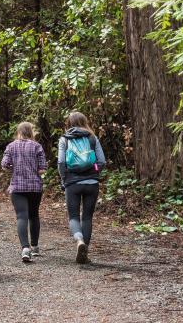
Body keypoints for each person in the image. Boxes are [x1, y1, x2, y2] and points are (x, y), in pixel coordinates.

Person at [58, 111, 106, 264]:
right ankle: (85, 252)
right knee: (87, 217)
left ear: (69, 123)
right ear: (85, 122)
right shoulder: (92, 137)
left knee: (73, 216)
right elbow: (102, 162)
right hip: (92, 183)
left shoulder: (64, 139)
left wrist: (64, 179)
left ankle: (79, 241)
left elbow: (61, 163)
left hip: (72, 183)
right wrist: (94, 171)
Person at [1, 122, 47, 262]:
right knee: (34, 216)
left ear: (19, 132)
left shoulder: (11, 146)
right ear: (31, 132)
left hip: (17, 187)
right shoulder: (37, 146)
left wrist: (13, 167)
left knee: (22, 217)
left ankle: (25, 248)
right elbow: (42, 169)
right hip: (34, 187)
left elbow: (4, 165)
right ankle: (35, 247)